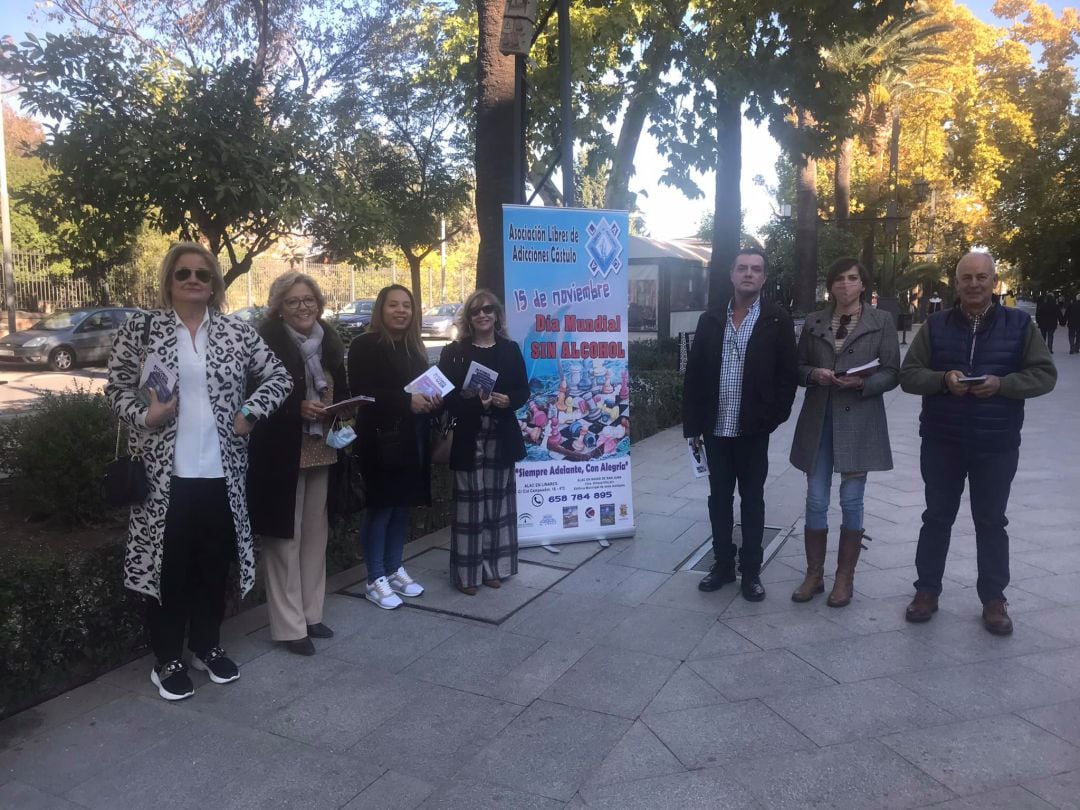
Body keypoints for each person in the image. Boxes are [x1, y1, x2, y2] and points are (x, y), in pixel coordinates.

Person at [105, 242, 292, 700]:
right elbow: (114, 387)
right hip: (163, 481)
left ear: (214, 285)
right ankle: (167, 658)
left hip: (222, 476)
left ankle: (207, 647)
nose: (193, 280)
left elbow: (280, 377)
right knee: (168, 572)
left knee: (212, 568)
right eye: (183, 273)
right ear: (169, 280)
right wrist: (144, 417)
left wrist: (251, 410)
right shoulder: (143, 329)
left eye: (203, 275)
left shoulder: (235, 332)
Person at [900, 252, 1056, 635]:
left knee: (991, 522)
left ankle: (993, 599)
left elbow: (1045, 375)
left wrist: (1003, 385)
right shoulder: (935, 325)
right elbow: (909, 375)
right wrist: (942, 380)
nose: (974, 284)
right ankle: (926, 591)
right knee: (936, 518)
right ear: (956, 283)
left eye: (981, 277)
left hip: (996, 443)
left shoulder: (1020, 325)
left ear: (994, 281)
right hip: (942, 441)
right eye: (966, 277)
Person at [682, 249, 798, 601]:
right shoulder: (710, 319)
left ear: (764, 278)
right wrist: (692, 426)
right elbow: (695, 375)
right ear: (732, 274)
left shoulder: (777, 320)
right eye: (743, 268)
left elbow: (787, 376)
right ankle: (721, 565)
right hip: (715, 429)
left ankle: (751, 571)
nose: (749, 274)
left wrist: (772, 416)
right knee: (718, 499)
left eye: (757, 269)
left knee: (752, 500)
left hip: (752, 430)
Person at [789, 259, 901, 607]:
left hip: (859, 420)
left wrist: (862, 382)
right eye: (839, 278)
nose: (846, 285)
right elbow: (797, 367)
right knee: (816, 499)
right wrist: (814, 375)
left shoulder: (881, 321)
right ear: (831, 285)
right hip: (819, 419)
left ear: (863, 284)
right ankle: (814, 574)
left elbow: (892, 371)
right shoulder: (814, 321)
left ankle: (844, 578)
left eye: (853, 278)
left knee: (852, 500)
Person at [248, 272, 349, 656]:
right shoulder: (264, 343)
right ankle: (289, 627)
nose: (303, 307)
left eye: (309, 300)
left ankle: (311, 613)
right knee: (284, 540)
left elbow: (343, 387)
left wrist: (344, 410)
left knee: (314, 536)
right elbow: (251, 399)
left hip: (321, 448)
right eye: (293, 301)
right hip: (281, 453)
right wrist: (296, 408)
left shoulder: (330, 342)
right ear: (278, 308)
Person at [348, 284, 439, 609]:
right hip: (380, 440)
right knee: (382, 507)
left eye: (406, 306)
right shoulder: (365, 345)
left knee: (401, 506)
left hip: (412, 438)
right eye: (393, 305)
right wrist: (406, 402)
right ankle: (374, 578)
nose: (401, 311)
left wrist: (433, 399)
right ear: (381, 310)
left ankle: (393, 566)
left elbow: (422, 390)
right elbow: (361, 391)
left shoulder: (415, 348)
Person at [437, 290, 530, 594]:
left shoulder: (510, 349)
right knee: (469, 505)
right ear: (469, 318)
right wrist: (479, 403)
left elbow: (522, 391)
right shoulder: (455, 352)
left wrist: (507, 401)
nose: (482, 315)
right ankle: (467, 574)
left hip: (501, 432)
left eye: (488, 309)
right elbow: (446, 398)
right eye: (476, 311)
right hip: (468, 434)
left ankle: (494, 568)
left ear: (496, 314)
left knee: (497, 503)